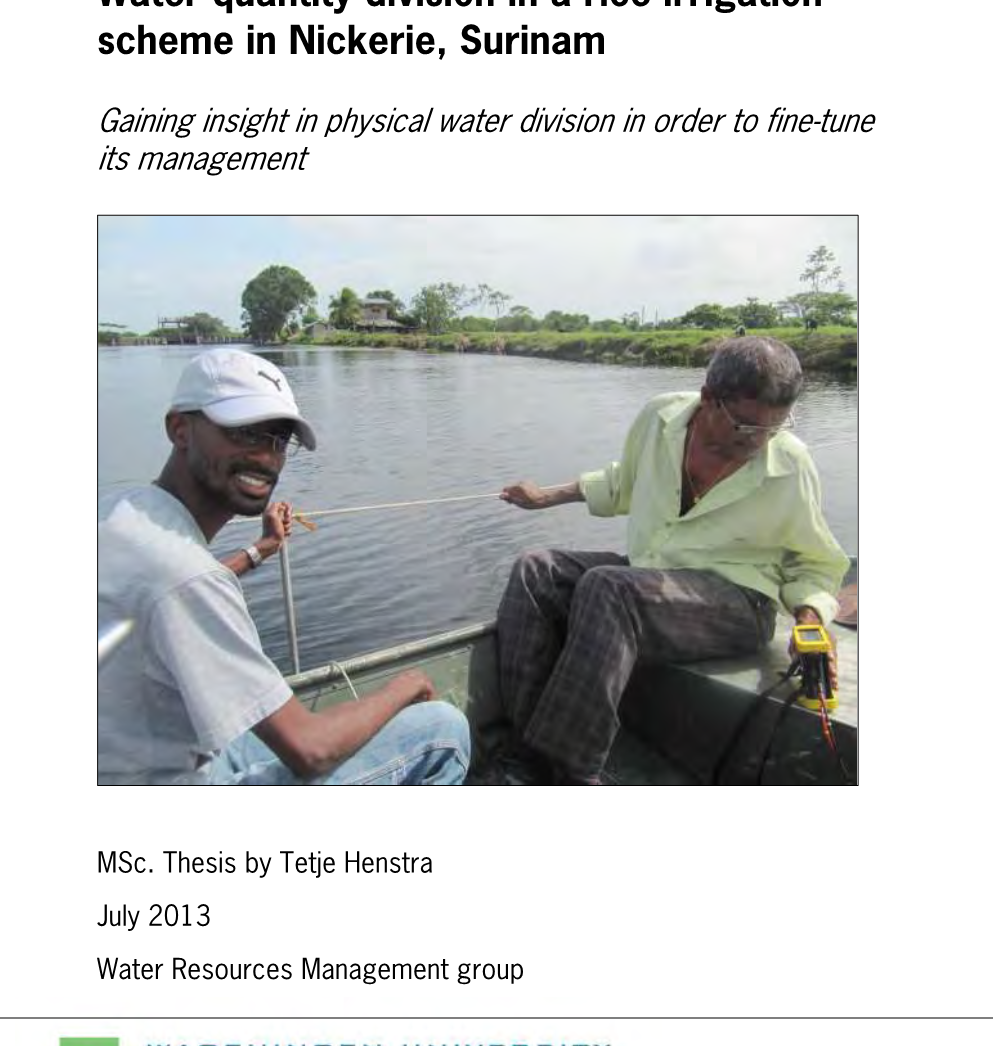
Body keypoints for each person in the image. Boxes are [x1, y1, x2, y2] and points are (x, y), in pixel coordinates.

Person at [98, 349, 470, 786]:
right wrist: (405, 685)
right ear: (180, 428)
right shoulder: (187, 577)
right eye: (245, 432)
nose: (266, 458)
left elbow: (170, 594)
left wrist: (261, 549)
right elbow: (310, 751)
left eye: (277, 439)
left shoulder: (121, 513)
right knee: (441, 729)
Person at [495, 336, 849, 784]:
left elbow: (816, 562)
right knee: (535, 570)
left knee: (609, 588)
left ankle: (568, 775)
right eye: (746, 427)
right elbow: (624, 481)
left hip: (739, 604)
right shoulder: (660, 418)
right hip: (652, 577)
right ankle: (525, 750)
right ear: (708, 399)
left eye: (773, 429)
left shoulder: (791, 463)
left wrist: (810, 617)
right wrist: (546, 497)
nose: (758, 442)